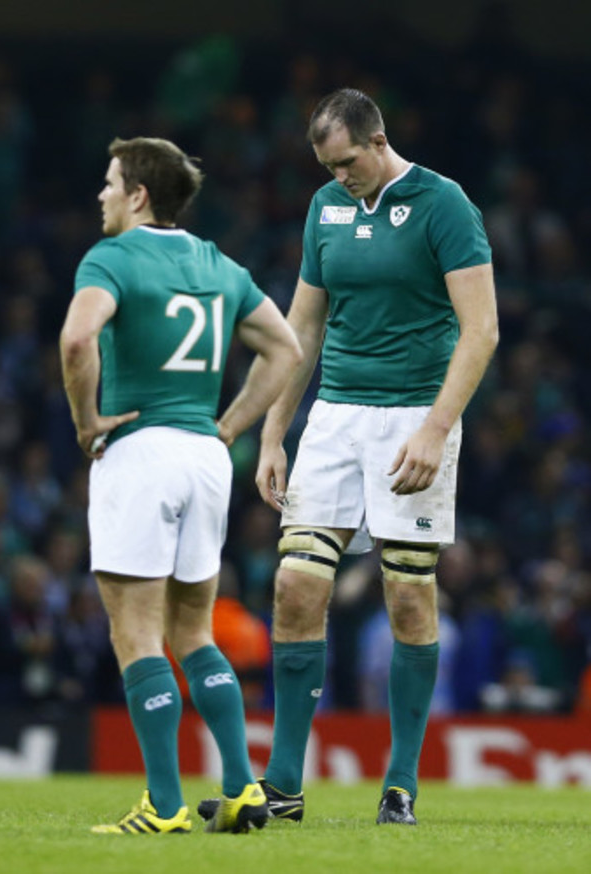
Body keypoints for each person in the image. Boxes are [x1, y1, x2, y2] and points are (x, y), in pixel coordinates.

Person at [199, 88, 499, 826]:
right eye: (328, 168)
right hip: (334, 417)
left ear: (378, 141)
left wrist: (435, 430)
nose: (339, 178)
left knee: (407, 595)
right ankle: (284, 787)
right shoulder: (325, 208)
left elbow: (482, 329)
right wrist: (275, 433)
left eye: (347, 163)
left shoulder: (443, 204)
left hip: (413, 414)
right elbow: (301, 328)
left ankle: (400, 785)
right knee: (295, 587)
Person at [59, 136, 302, 835]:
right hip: (204, 458)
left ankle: (164, 806)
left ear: (139, 195)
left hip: (140, 451)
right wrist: (229, 427)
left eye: (111, 183)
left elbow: (77, 340)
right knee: (193, 631)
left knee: (137, 635)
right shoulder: (218, 262)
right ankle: (242, 788)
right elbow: (286, 348)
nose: (102, 194)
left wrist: (86, 421)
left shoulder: (111, 257)